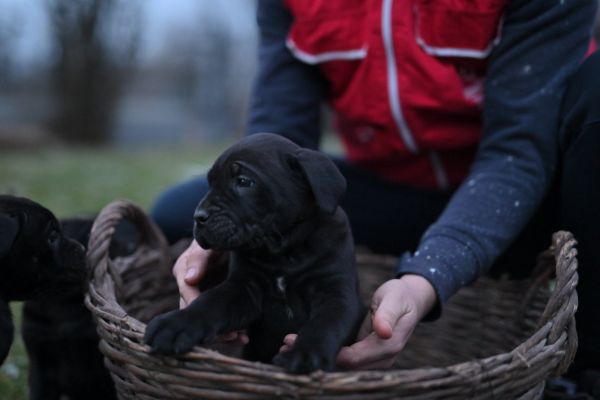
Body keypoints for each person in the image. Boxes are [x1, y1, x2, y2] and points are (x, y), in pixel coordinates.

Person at [151, 0, 600, 389]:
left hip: (534, 205)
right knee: (172, 215)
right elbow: (278, 140)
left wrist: (428, 276)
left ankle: (583, 370)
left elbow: (518, 152)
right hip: (393, 189)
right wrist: (228, 232)